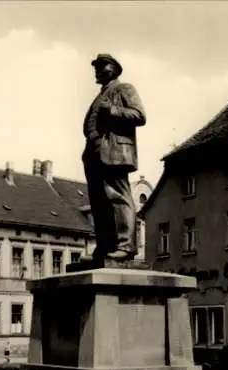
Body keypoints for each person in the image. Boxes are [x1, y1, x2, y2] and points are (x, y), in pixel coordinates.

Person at [82, 53, 146, 262]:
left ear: (114, 69)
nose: (98, 70)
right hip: (94, 153)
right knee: (99, 201)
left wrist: (111, 110)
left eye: (102, 66)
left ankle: (125, 246)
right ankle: (104, 247)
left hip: (115, 150)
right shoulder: (100, 94)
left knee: (118, 196)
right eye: (97, 66)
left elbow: (139, 115)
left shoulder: (124, 88)